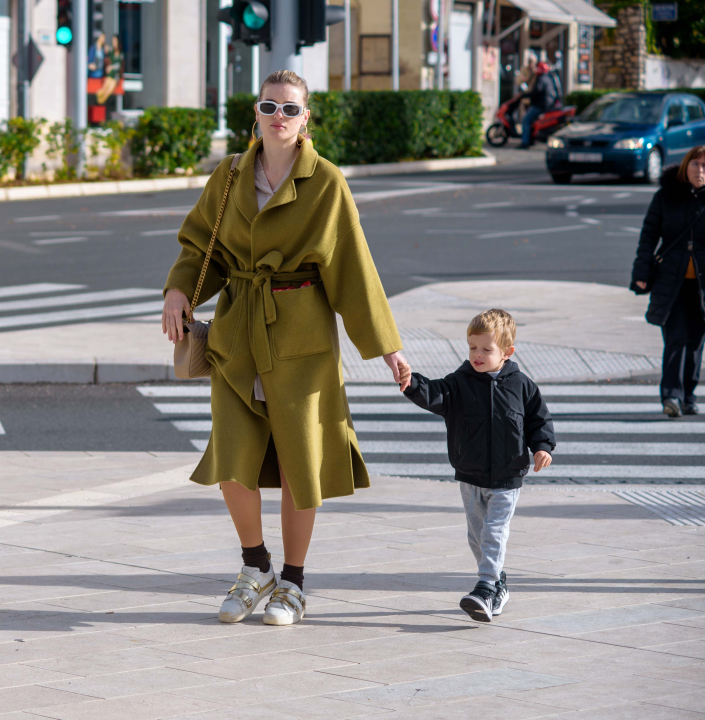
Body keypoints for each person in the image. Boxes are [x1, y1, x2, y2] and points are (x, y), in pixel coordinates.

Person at [161, 70, 409, 627]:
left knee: (302, 465)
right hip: (236, 337)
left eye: (290, 109)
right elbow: (201, 244)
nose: (279, 117)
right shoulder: (229, 176)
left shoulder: (326, 182)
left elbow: (353, 267)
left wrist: (387, 347)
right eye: (269, 106)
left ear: (305, 120)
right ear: (255, 114)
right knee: (232, 463)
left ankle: (293, 584)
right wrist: (179, 289)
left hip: (302, 341)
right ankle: (257, 568)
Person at [403, 309, 556, 622]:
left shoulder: (522, 385)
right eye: (473, 347)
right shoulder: (460, 382)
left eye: (487, 349)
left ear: (507, 352)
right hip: (470, 477)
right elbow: (434, 394)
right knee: (476, 537)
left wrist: (542, 447)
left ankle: (485, 587)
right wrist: (410, 381)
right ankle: (498, 584)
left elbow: (539, 419)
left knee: (494, 533)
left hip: (507, 476)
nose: (477, 354)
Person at [632, 146, 705, 417]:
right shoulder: (666, 196)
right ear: (686, 167)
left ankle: (689, 395)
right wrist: (640, 273)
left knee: (696, 341)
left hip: (701, 285)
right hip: (671, 281)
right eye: (696, 164)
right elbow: (648, 235)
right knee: (675, 338)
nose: (700, 170)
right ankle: (671, 396)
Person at [520, 62, 559, 149]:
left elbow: (536, 92)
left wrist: (525, 95)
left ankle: (525, 142)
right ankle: (531, 139)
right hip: (548, 104)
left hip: (540, 105)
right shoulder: (548, 78)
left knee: (525, 121)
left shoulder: (541, 79)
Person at [96, 35, 123, 105]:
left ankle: (100, 102)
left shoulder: (121, 54)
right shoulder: (112, 52)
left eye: (115, 41)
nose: (114, 43)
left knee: (108, 91)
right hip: (110, 75)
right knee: (103, 89)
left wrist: (111, 67)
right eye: (113, 41)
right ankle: (99, 102)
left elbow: (119, 65)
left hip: (115, 77)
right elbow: (105, 49)